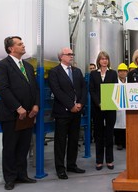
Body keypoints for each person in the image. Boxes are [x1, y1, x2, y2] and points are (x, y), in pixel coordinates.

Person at [0, 36, 39, 190]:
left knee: (23, 146)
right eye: (20, 44)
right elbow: (3, 89)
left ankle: (22, 174)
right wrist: (17, 107)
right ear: (11, 48)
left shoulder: (27, 66)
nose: (23, 45)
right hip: (12, 115)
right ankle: (10, 178)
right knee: (10, 147)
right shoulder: (1, 66)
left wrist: (35, 105)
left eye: (23, 43)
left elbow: (34, 88)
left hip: (28, 115)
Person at [48, 47, 87, 180]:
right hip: (62, 112)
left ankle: (71, 164)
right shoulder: (54, 72)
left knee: (74, 139)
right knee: (60, 141)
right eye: (69, 54)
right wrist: (70, 105)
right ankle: (60, 168)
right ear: (61, 57)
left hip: (77, 112)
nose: (72, 56)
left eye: (72, 54)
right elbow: (57, 91)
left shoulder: (77, 71)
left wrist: (80, 104)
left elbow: (83, 88)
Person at [90, 51, 118, 170]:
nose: (104, 61)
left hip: (110, 108)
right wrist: (98, 103)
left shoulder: (113, 73)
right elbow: (92, 90)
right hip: (97, 108)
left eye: (106, 58)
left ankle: (110, 160)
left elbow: (115, 89)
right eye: (102, 59)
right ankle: (99, 160)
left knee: (109, 134)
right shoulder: (93, 74)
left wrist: (108, 103)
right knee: (99, 135)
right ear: (98, 61)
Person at [114, 63, 128, 150]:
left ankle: (126, 142)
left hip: (127, 107)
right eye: (121, 71)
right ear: (118, 73)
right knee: (118, 125)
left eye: (124, 71)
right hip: (118, 106)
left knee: (127, 125)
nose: (123, 73)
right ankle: (119, 143)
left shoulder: (129, 82)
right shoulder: (115, 82)